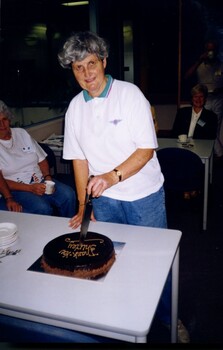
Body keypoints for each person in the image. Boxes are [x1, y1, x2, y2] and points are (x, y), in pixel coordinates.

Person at [58, 31, 190, 343]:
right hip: (105, 201)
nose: (87, 74)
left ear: (104, 61)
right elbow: (79, 161)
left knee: (157, 260)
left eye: (91, 63)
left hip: (143, 196)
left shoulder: (130, 96)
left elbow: (145, 150)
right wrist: (82, 206)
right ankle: (126, 316)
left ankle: (170, 319)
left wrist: (110, 177)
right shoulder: (75, 108)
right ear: (72, 71)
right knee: (113, 259)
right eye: (78, 68)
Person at [0, 100, 77, 218]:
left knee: (68, 194)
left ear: (9, 119)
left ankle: (68, 228)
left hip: (40, 181)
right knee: (42, 207)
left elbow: (41, 159)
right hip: (17, 188)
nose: (2, 125)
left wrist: (48, 178)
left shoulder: (21, 133)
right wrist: (29, 188)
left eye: (4, 119)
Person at [184, 40, 223, 156]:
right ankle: (215, 153)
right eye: (208, 50)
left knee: (214, 129)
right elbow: (186, 76)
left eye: (212, 50)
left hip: (218, 99)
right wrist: (199, 60)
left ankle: (216, 155)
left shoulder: (221, 65)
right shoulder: (199, 64)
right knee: (201, 126)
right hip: (202, 100)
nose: (210, 52)